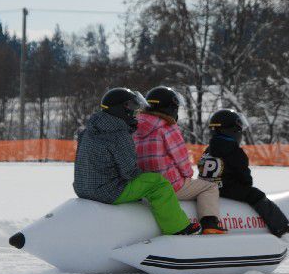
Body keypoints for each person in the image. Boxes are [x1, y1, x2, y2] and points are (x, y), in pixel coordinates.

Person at [73, 87, 201, 235]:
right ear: (121, 109)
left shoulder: (89, 130)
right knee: (158, 183)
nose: (134, 112)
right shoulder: (119, 134)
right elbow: (129, 172)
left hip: (82, 188)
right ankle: (178, 228)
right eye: (132, 107)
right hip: (108, 192)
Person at [133, 86, 227, 235]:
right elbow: (181, 158)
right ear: (171, 108)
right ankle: (210, 224)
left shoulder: (135, 126)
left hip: (144, 186)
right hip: (169, 185)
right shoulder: (167, 126)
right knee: (209, 187)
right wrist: (188, 176)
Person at [198, 109, 289, 237]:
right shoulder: (235, 151)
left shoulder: (208, 150)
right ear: (233, 131)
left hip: (205, 188)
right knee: (256, 195)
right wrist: (244, 186)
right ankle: (280, 227)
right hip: (225, 188)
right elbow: (245, 178)